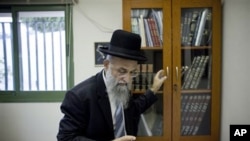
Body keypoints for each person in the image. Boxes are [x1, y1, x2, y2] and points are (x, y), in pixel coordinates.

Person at [57, 29, 167, 141]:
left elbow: (133, 109)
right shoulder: (78, 96)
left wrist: (154, 88)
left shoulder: (122, 86)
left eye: (132, 72)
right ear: (106, 65)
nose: (127, 79)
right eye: (122, 71)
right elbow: (65, 138)